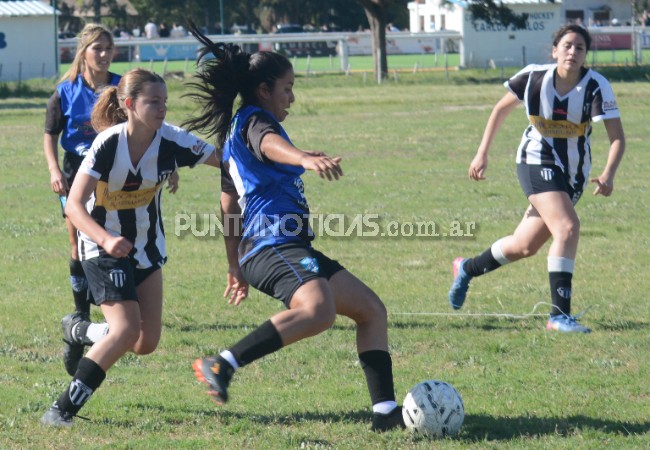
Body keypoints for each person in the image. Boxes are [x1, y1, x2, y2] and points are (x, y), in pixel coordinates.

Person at [182, 24, 405, 432]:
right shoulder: (252, 122)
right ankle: (223, 362)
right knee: (318, 311)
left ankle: (386, 413)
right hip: (273, 243)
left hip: (276, 246)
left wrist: (234, 265)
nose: (292, 96)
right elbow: (269, 143)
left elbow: (228, 206)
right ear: (264, 89)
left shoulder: (235, 134)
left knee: (371, 311)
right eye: (287, 87)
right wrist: (301, 157)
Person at [40, 68, 219, 427]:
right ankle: (61, 410)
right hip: (101, 244)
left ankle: (79, 331)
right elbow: (74, 206)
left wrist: (280, 157)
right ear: (129, 105)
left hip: (147, 249)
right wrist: (106, 238)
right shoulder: (108, 143)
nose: (162, 108)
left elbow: (227, 160)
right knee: (123, 331)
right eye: (153, 101)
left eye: (165, 101)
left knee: (144, 341)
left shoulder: (172, 141)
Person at [448, 24, 625, 333]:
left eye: (580, 47)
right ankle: (558, 316)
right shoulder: (533, 77)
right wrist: (482, 153)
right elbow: (500, 110)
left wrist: (608, 173)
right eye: (567, 45)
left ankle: (466, 268)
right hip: (534, 158)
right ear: (554, 50)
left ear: (586, 55)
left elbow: (617, 137)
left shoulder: (596, 86)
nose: (573, 52)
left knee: (524, 246)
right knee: (568, 228)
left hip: (572, 174)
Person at [44, 24, 122, 377]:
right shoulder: (65, 91)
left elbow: (143, 125)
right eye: (97, 48)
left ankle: (118, 305)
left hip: (115, 175)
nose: (104, 54)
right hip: (76, 176)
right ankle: (81, 316)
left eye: (108, 48)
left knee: (117, 239)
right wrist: (53, 170)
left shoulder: (122, 86)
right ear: (84, 52)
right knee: (77, 244)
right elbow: (50, 134)